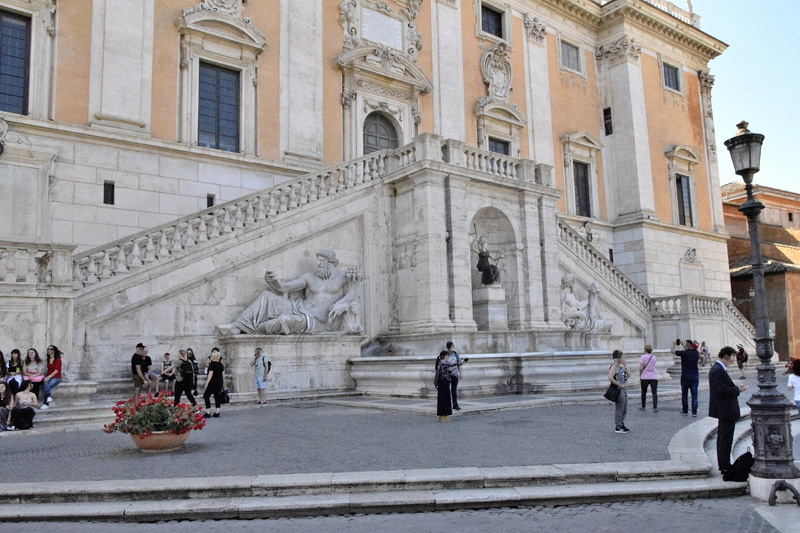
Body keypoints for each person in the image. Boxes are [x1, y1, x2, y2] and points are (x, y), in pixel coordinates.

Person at [216, 250, 360, 335]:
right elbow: (284, 287)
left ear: (331, 262)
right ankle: (237, 326)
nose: (318, 264)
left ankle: (250, 329)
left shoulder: (343, 276)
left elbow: (354, 293)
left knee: (284, 320)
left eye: (322, 261)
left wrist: (342, 304)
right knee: (267, 297)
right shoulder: (309, 277)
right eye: (318, 260)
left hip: (316, 320)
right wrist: (271, 281)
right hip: (298, 307)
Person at [709, 346, 747, 475]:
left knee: (724, 438)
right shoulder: (718, 370)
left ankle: (724, 464)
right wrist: (737, 390)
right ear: (727, 356)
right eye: (732, 357)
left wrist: (735, 387)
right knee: (725, 439)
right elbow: (722, 389)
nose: (733, 360)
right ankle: (724, 465)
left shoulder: (719, 369)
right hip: (725, 410)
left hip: (725, 410)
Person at [672, 339, 700, 417]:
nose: (683, 345)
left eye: (684, 344)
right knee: (694, 395)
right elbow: (700, 354)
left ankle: (685, 411)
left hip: (685, 376)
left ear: (687, 345)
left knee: (684, 394)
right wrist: (696, 346)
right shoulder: (696, 353)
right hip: (694, 376)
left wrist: (674, 344)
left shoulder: (684, 353)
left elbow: (672, 351)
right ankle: (694, 412)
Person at [609, 350, 630, 433]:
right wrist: (619, 384)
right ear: (618, 358)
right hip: (618, 389)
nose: (623, 359)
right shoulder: (614, 367)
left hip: (624, 389)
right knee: (619, 408)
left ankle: (621, 423)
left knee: (624, 408)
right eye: (622, 357)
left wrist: (625, 365)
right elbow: (610, 377)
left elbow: (629, 374)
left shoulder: (621, 367)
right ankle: (618, 426)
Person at [445, 342, 467, 410]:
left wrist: (460, 373)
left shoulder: (455, 354)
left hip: (455, 374)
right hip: (448, 375)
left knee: (454, 390)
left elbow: (459, 364)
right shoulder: (446, 355)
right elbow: (444, 365)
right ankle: (447, 405)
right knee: (447, 391)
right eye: (450, 347)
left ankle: (455, 404)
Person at [203, 351, 226, 418]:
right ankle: (217, 412)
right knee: (217, 397)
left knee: (206, 396)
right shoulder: (221, 365)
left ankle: (208, 412)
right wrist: (224, 384)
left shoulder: (212, 364)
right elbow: (223, 375)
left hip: (212, 383)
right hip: (219, 383)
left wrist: (207, 383)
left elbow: (210, 374)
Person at [40, 345, 63, 409]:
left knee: (48, 386)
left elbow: (56, 371)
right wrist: (45, 376)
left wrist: (48, 377)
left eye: (51, 349)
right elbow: (49, 369)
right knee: (45, 384)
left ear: (54, 351)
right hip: (49, 376)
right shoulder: (48, 359)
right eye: (48, 349)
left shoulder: (58, 360)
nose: (49, 350)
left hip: (56, 377)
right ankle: (48, 398)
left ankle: (46, 403)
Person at [434, 351, 454, 422]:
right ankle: (444, 415)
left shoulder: (440, 363)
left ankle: (441, 415)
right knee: (446, 399)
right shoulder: (444, 362)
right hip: (444, 382)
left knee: (441, 399)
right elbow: (453, 365)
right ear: (443, 356)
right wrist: (463, 362)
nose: (448, 357)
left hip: (441, 382)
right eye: (447, 356)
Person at [638, 344, 658, 412]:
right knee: (654, 392)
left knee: (643, 392)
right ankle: (655, 407)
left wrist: (640, 375)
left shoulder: (642, 357)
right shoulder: (654, 357)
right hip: (653, 376)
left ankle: (643, 406)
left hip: (644, 376)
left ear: (645, 350)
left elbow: (641, 368)